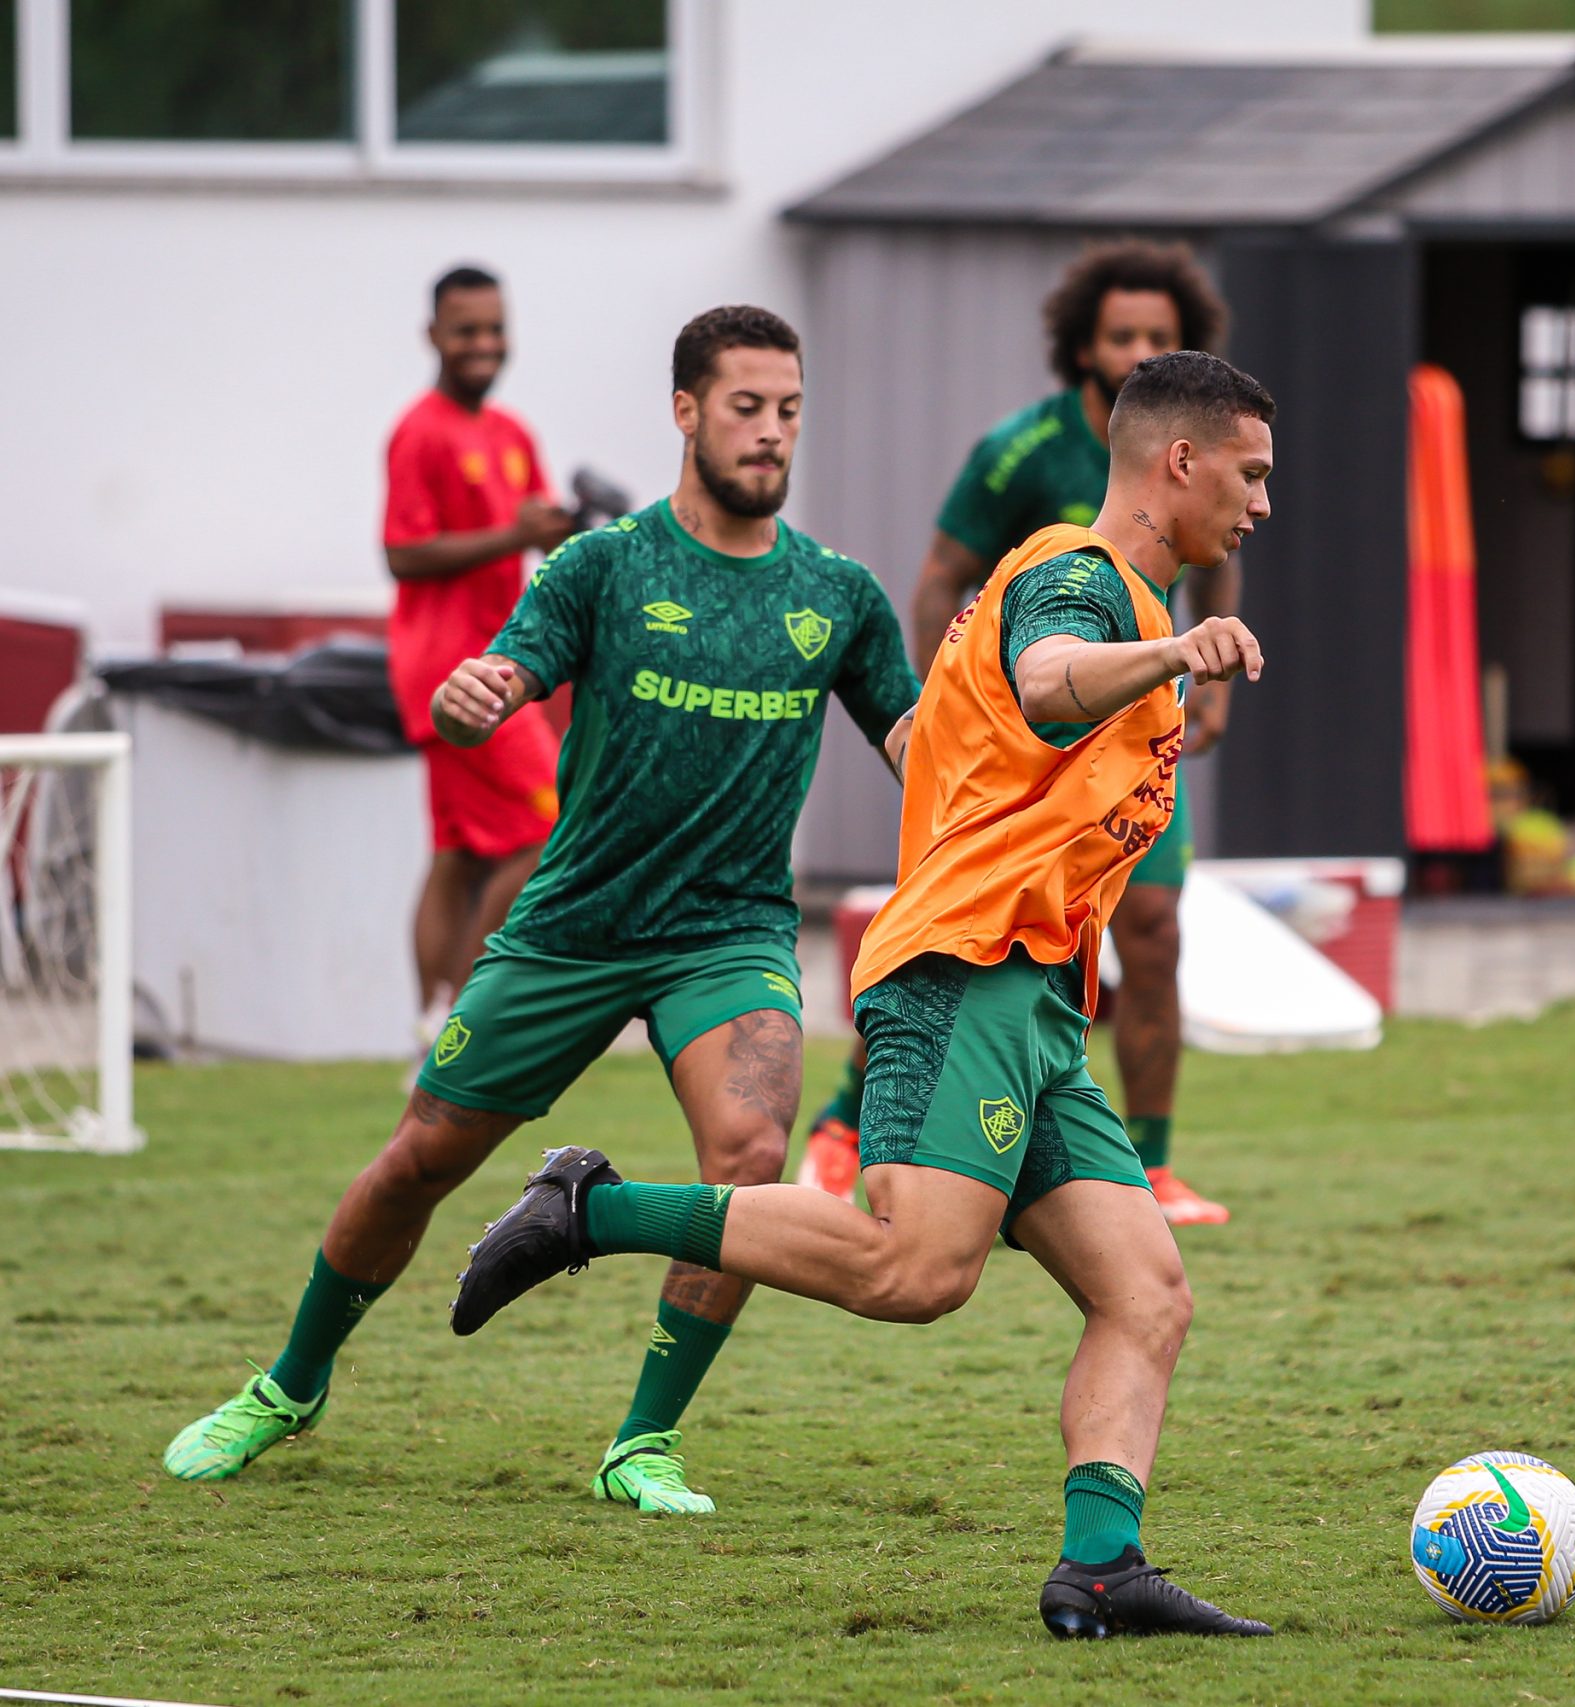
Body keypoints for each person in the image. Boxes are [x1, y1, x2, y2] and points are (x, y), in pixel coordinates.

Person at [452, 351, 1275, 1638]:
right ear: (1180, 461)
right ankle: (590, 1210)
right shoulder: (1076, 577)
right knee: (913, 1269)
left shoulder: (1116, 594)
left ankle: (1101, 1567)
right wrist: (1176, 650)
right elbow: (1054, 680)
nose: (1261, 504)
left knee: (1147, 1290)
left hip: (1037, 1002)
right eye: (1250, 472)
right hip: (963, 972)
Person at [163, 307, 920, 1514]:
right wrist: (475, 700)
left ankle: (643, 1445)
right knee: (422, 1160)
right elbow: (501, 680)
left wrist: (1028, 716)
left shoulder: (837, 594)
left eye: (787, 411)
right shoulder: (605, 564)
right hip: (573, 924)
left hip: (728, 934)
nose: (771, 434)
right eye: (744, 408)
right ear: (685, 411)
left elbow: (918, 746)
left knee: (748, 1155)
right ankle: (288, 1386)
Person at [801, 241, 1242, 1225]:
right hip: (1034, 756)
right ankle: (844, 1118)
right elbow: (961, 601)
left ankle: (1151, 1163)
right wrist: (940, 723)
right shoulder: (1032, 471)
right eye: (1121, 333)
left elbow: (1214, 575)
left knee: (1149, 936)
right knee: (973, 927)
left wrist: (1205, 688)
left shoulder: (1204, 468)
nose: (1137, 350)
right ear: (1081, 342)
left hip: (1131, 750)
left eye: (1158, 338)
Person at [383, 265, 579, 1027]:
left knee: (458, 850)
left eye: (495, 329)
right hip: (453, 671)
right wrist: (514, 535)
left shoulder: (512, 433)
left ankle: (433, 1021)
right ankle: (469, 1013)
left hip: (504, 659)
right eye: (467, 330)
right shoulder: (419, 431)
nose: (484, 344)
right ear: (434, 335)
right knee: (553, 826)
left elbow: (537, 536)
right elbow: (401, 552)